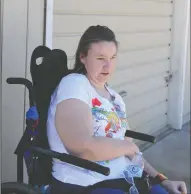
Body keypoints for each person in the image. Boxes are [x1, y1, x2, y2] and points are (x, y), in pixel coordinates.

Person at [46, 25, 187, 194]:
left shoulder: (115, 98)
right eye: (100, 58)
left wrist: (162, 179)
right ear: (83, 57)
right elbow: (81, 146)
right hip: (87, 184)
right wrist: (126, 147)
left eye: (112, 57)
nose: (108, 66)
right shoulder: (75, 84)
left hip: (127, 179)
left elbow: (130, 149)